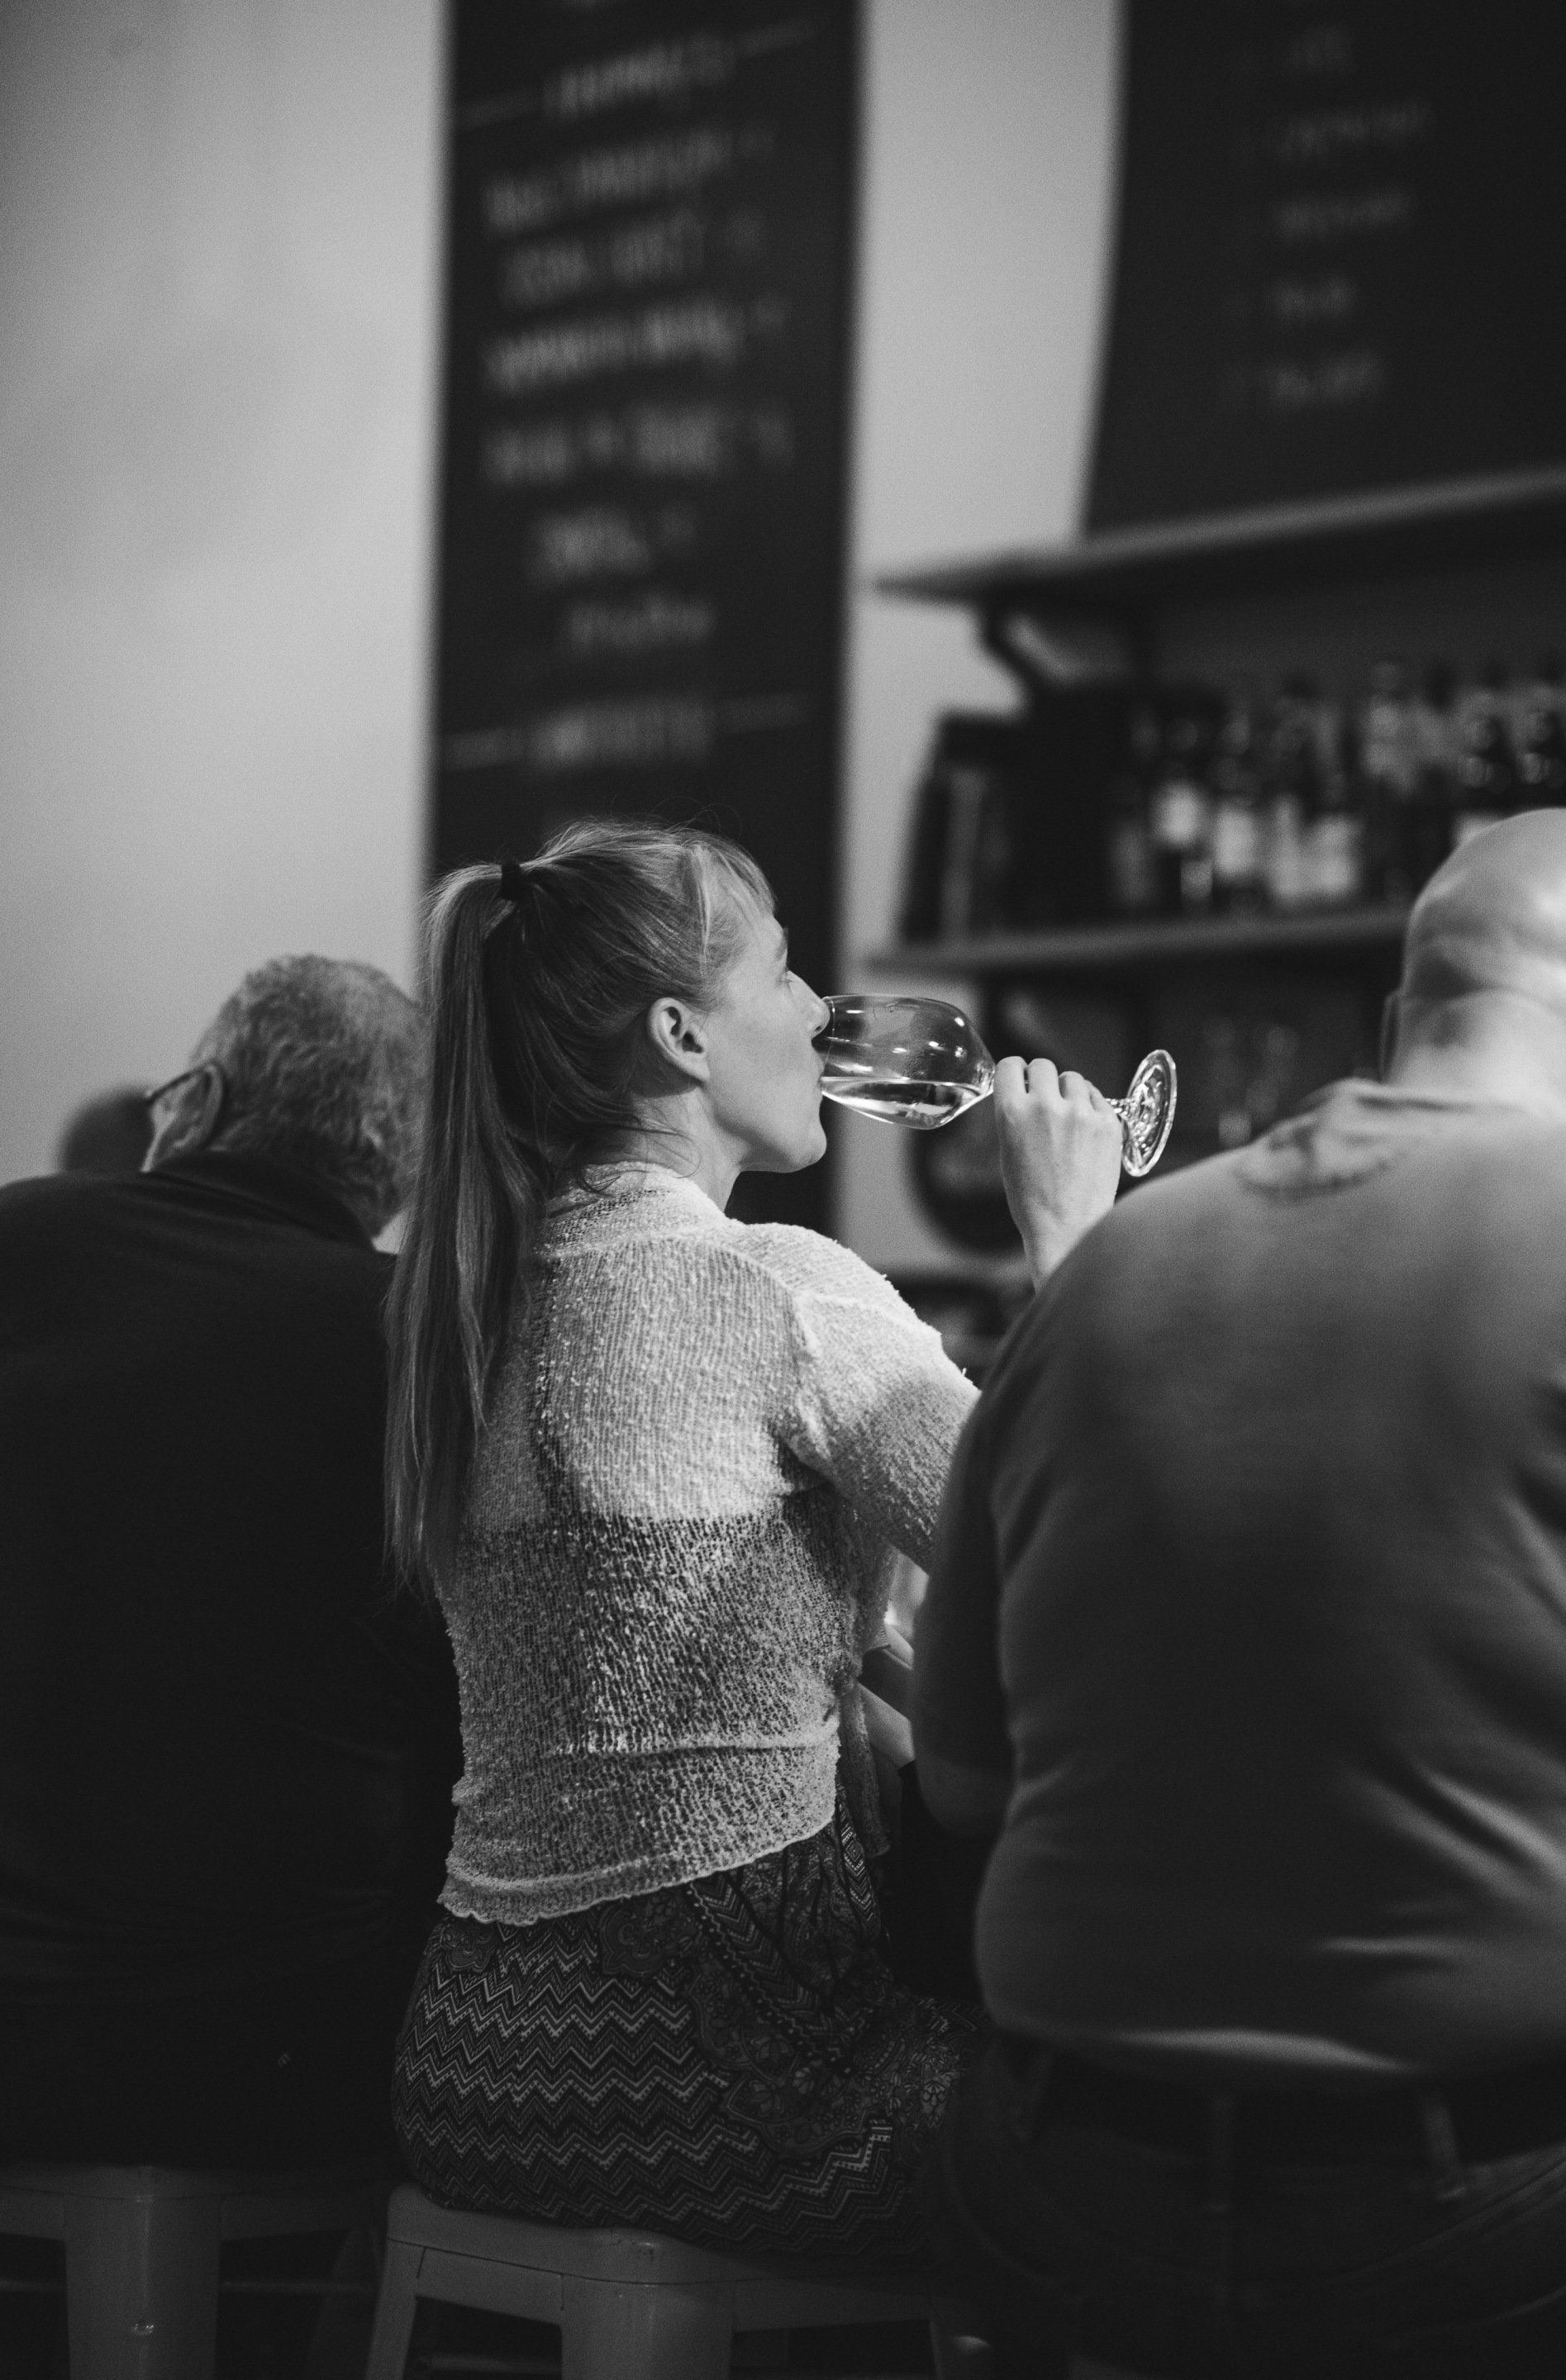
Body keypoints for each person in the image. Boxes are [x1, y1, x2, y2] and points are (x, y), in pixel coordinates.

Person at [384, 818, 1122, 2263]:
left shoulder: (469, 1311)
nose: (816, 1010)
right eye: (784, 974)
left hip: (473, 2071)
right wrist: (1078, 1250)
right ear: (682, 1035)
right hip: (744, 2088)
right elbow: (1086, 1558)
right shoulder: (776, 1290)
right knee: (1143, 2123)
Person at [914, 807, 1566, 2378]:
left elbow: (963, 1782)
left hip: (1063, 2199)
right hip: (1471, 2212)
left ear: (1402, 1017)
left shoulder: (1107, 1273)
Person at [0, 956, 461, 2168]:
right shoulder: (420, 1336)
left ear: (190, 1100)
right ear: (399, 1165)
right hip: (284, 2040)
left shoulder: (12, 1247)